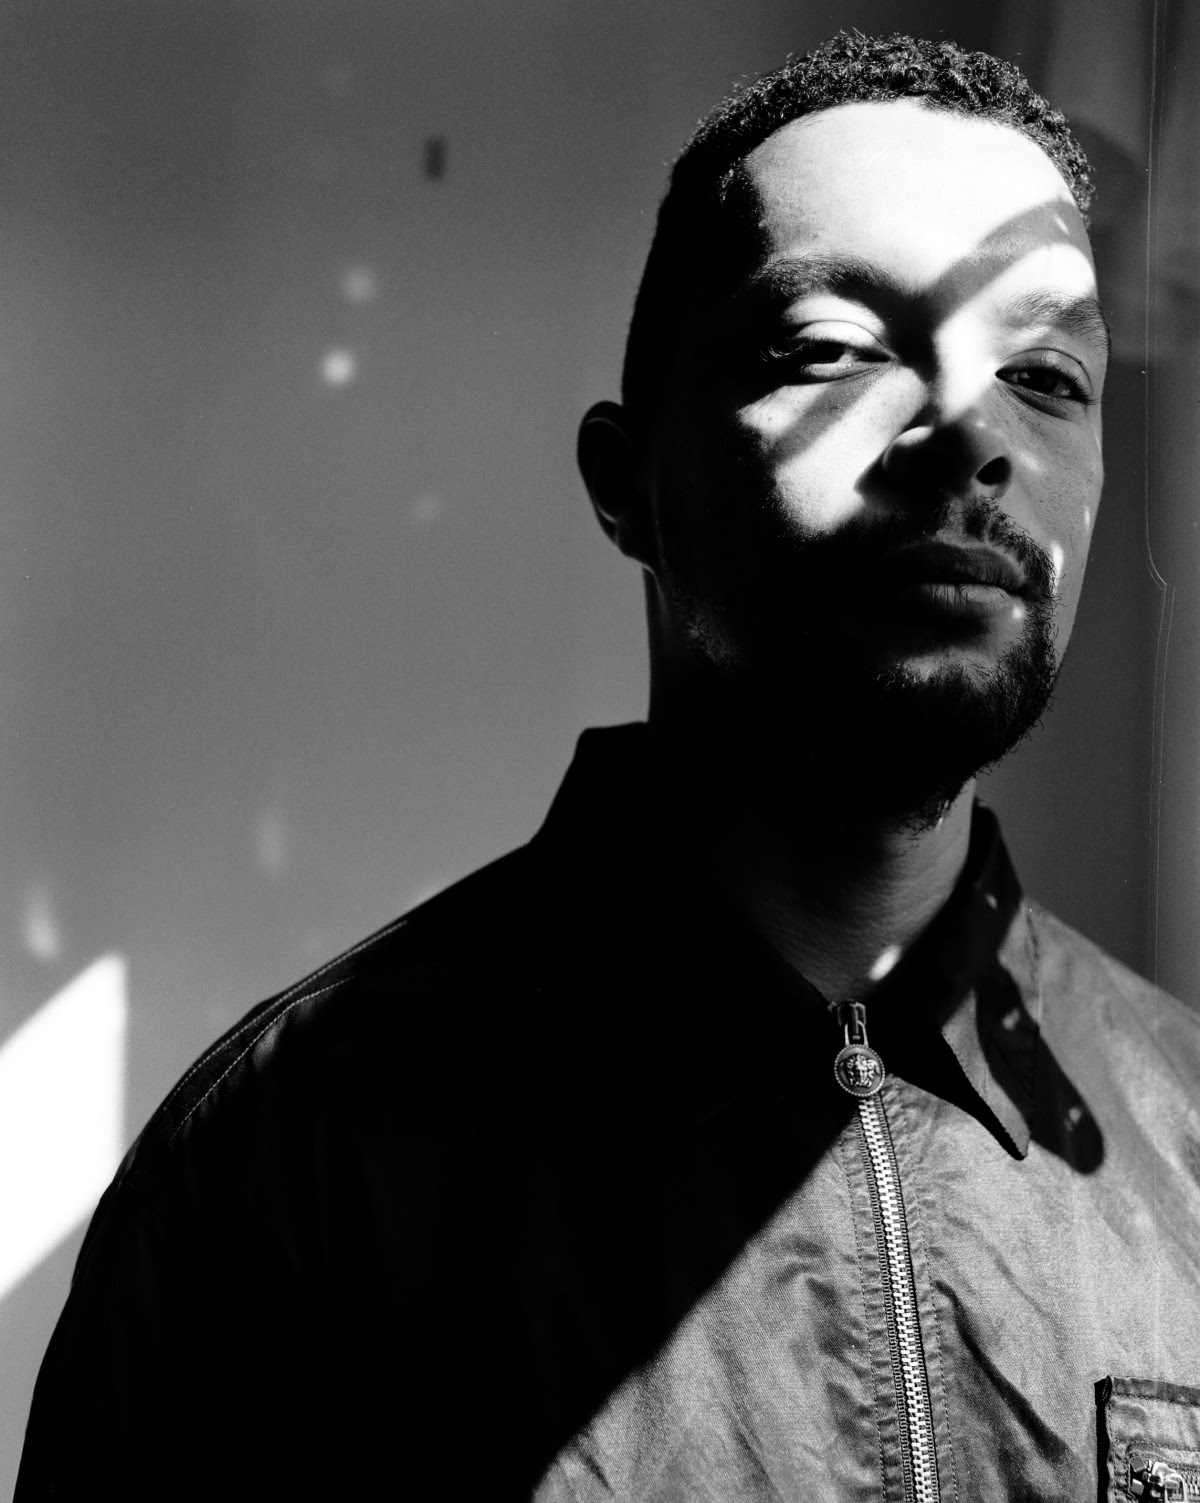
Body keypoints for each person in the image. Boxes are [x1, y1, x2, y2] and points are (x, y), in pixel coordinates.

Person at [17, 30, 1200, 1503]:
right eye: (833, 349)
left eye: (1044, 373)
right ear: (627, 484)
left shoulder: (1186, 1143)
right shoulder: (288, 1174)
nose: (969, 434)